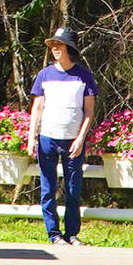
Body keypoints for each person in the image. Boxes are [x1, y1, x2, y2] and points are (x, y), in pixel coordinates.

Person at [26, 26, 98, 246]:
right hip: (47, 138)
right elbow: (37, 108)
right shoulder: (44, 75)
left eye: (60, 45)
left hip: (73, 141)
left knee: (73, 189)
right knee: (47, 189)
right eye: (54, 45)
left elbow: (89, 112)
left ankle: (72, 233)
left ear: (70, 48)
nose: (55, 49)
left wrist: (80, 139)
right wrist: (32, 137)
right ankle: (54, 234)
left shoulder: (84, 76)